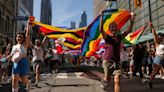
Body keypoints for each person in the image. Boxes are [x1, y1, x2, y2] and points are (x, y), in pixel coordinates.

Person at [100, 11, 135, 92]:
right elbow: (101, 29)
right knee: (108, 79)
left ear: (117, 28)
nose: (113, 28)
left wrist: (132, 19)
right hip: (107, 62)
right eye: (112, 27)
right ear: (109, 29)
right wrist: (101, 17)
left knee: (117, 80)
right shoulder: (107, 37)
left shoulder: (119, 37)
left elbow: (129, 30)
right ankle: (104, 80)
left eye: (115, 26)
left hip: (117, 62)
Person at [6, 19, 31, 92]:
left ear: (23, 38)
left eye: (21, 37)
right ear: (16, 38)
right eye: (18, 37)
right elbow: (11, 55)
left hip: (24, 62)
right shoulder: (14, 46)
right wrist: (3, 59)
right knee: (14, 80)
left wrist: (28, 25)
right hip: (15, 63)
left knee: (23, 79)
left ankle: (28, 82)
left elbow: (28, 34)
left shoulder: (25, 44)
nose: (19, 38)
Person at [148, 22, 164, 88]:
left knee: (157, 71)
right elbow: (154, 35)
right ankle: (150, 81)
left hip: (163, 58)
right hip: (158, 58)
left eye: (162, 36)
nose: (161, 37)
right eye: (160, 36)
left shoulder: (163, 43)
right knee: (156, 72)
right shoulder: (157, 43)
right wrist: (152, 27)